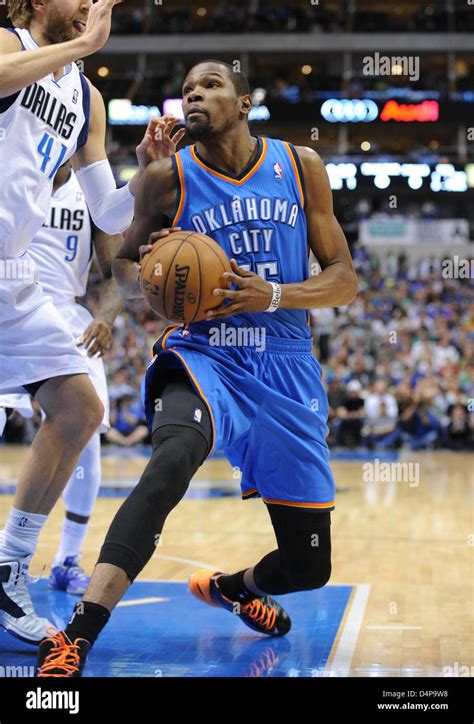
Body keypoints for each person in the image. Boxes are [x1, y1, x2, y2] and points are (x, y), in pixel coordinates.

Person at [36, 59, 357, 677]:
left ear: (243, 103)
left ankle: (237, 587)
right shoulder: (165, 177)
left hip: (285, 365)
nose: (195, 97)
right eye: (187, 91)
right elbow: (123, 272)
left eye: (210, 86)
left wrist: (274, 294)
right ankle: (77, 635)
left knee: (310, 567)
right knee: (170, 461)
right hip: (203, 353)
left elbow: (343, 280)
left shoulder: (300, 167)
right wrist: (146, 279)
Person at [0, 0, 184, 643]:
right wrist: (80, 48)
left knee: (80, 409)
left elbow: (108, 214)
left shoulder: (83, 94)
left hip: (12, 276)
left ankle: (9, 567)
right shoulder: (7, 40)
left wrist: (145, 170)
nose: (89, 5)